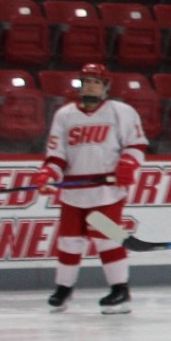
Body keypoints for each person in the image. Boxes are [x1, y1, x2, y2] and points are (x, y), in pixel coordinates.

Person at [38, 63, 146, 314]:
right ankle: (63, 289)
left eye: (96, 82)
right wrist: (49, 173)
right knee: (69, 241)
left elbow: (135, 145)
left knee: (106, 239)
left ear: (105, 86)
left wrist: (128, 164)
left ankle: (120, 290)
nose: (90, 86)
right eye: (86, 81)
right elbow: (57, 154)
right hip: (74, 191)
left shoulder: (121, 112)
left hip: (107, 191)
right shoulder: (65, 115)